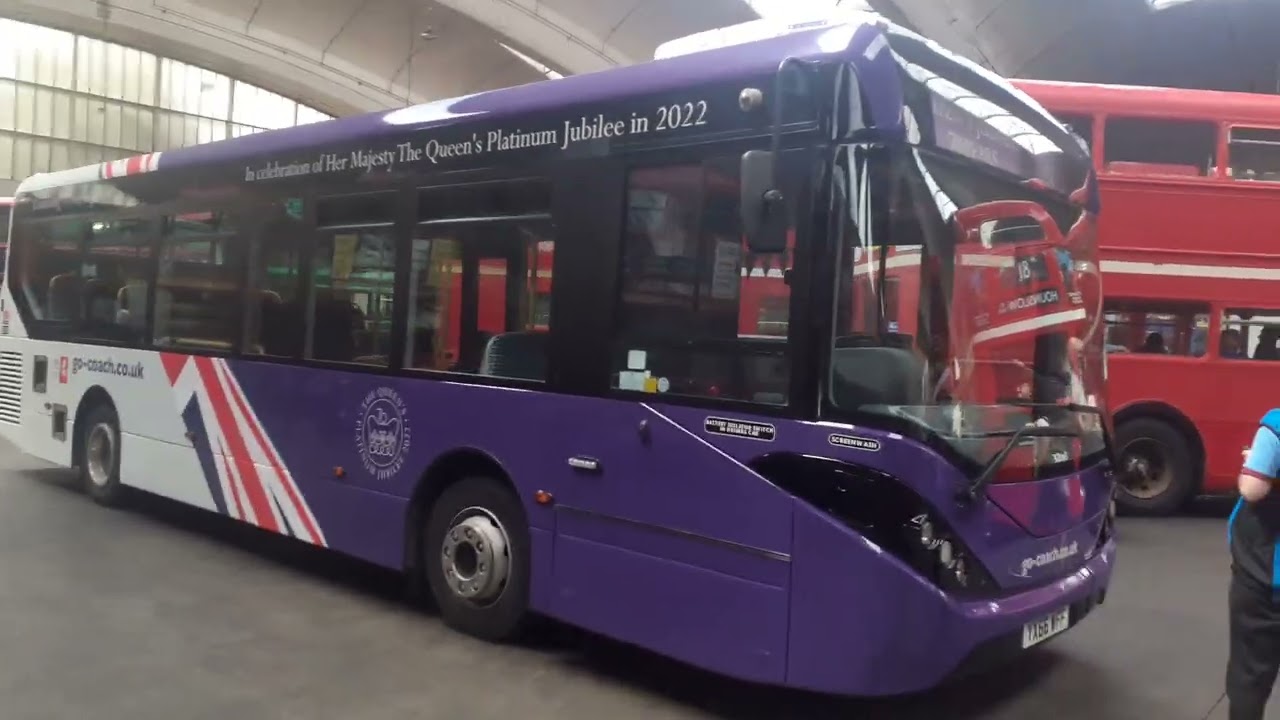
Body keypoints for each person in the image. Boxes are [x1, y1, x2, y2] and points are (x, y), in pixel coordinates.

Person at [1226, 409, 1280, 719]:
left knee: (1250, 678)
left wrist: (1254, 463)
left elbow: (1252, 489)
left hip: (1266, 580)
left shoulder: (1276, 426)